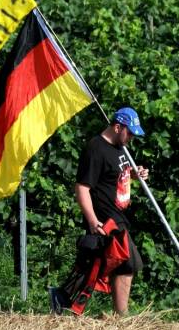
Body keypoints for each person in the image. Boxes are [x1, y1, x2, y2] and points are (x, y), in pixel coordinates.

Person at [49, 107, 149, 315]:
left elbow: (114, 175)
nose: (131, 137)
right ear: (117, 126)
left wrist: (135, 175)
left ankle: (61, 298)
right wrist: (93, 221)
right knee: (128, 263)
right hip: (106, 219)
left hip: (118, 216)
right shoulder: (95, 149)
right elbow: (82, 188)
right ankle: (122, 317)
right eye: (129, 132)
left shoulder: (120, 147)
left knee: (97, 265)